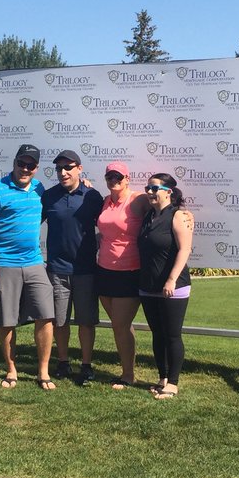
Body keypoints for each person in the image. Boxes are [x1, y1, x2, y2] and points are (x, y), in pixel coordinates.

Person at [0, 144, 56, 390]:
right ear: (14, 162)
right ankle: (11, 371)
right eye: (21, 163)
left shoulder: (39, 189)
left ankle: (43, 372)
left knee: (45, 316)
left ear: (36, 168)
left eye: (31, 165)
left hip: (34, 263)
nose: (25, 169)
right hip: (2, 264)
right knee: (7, 320)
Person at [41, 149, 104, 385]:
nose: (63, 172)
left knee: (86, 321)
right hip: (57, 269)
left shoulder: (93, 196)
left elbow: (113, 220)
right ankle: (63, 362)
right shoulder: (48, 196)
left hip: (86, 270)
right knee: (60, 321)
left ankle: (86, 366)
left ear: (79, 168)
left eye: (68, 167)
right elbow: (30, 221)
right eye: (59, 168)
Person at [137, 173, 195, 399]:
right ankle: (161, 378)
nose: (149, 193)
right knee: (157, 334)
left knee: (172, 335)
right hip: (148, 285)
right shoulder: (148, 216)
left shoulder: (180, 215)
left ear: (168, 191)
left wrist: (171, 279)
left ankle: (173, 382)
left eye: (155, 188)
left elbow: (185, 249)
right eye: (147, 188)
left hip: (174, 286)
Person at [95, 162, 150, 389]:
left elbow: (165, 207)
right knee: (118, 324)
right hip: (104, 269)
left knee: (120, 323)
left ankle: (128, 374)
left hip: (129, 271)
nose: (113, 180)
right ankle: (126, 369)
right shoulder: (106, 201)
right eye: (109, 177)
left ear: (127, 178)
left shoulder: (138, 199)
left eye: (118, 177)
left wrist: (182, 212)